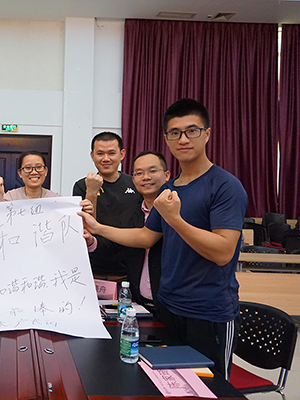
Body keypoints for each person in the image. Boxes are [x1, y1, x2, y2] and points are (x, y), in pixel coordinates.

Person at [79, 98, 248, 379]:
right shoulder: (169, 189)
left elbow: (223, 252)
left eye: (192, 131)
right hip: (167, 307)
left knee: (210, 387)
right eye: (175, 133)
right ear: (167, 139)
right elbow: (146, 236)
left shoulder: (225, 186)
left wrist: (175, 219)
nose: (183, 139)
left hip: (208, 312)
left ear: (207, 133)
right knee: (167, 383)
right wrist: (97, 227)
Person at [72, 131, 143, 281]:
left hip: (129, 270)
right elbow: (84, 226)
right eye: (100, 153)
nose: (106, 159)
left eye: (111, 153)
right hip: (92, 269)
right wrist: (91, 191)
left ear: (122, 154)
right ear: (92, 156)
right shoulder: (82, 185)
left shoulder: (135, 184)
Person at [126, 151, 171, 313]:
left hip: (171, 305)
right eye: (139, 173)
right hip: (138, 304)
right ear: (133, 180)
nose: (146, 177)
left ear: (167, 175)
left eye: (152, 171)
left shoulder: (178, 210)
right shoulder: (131, 214)